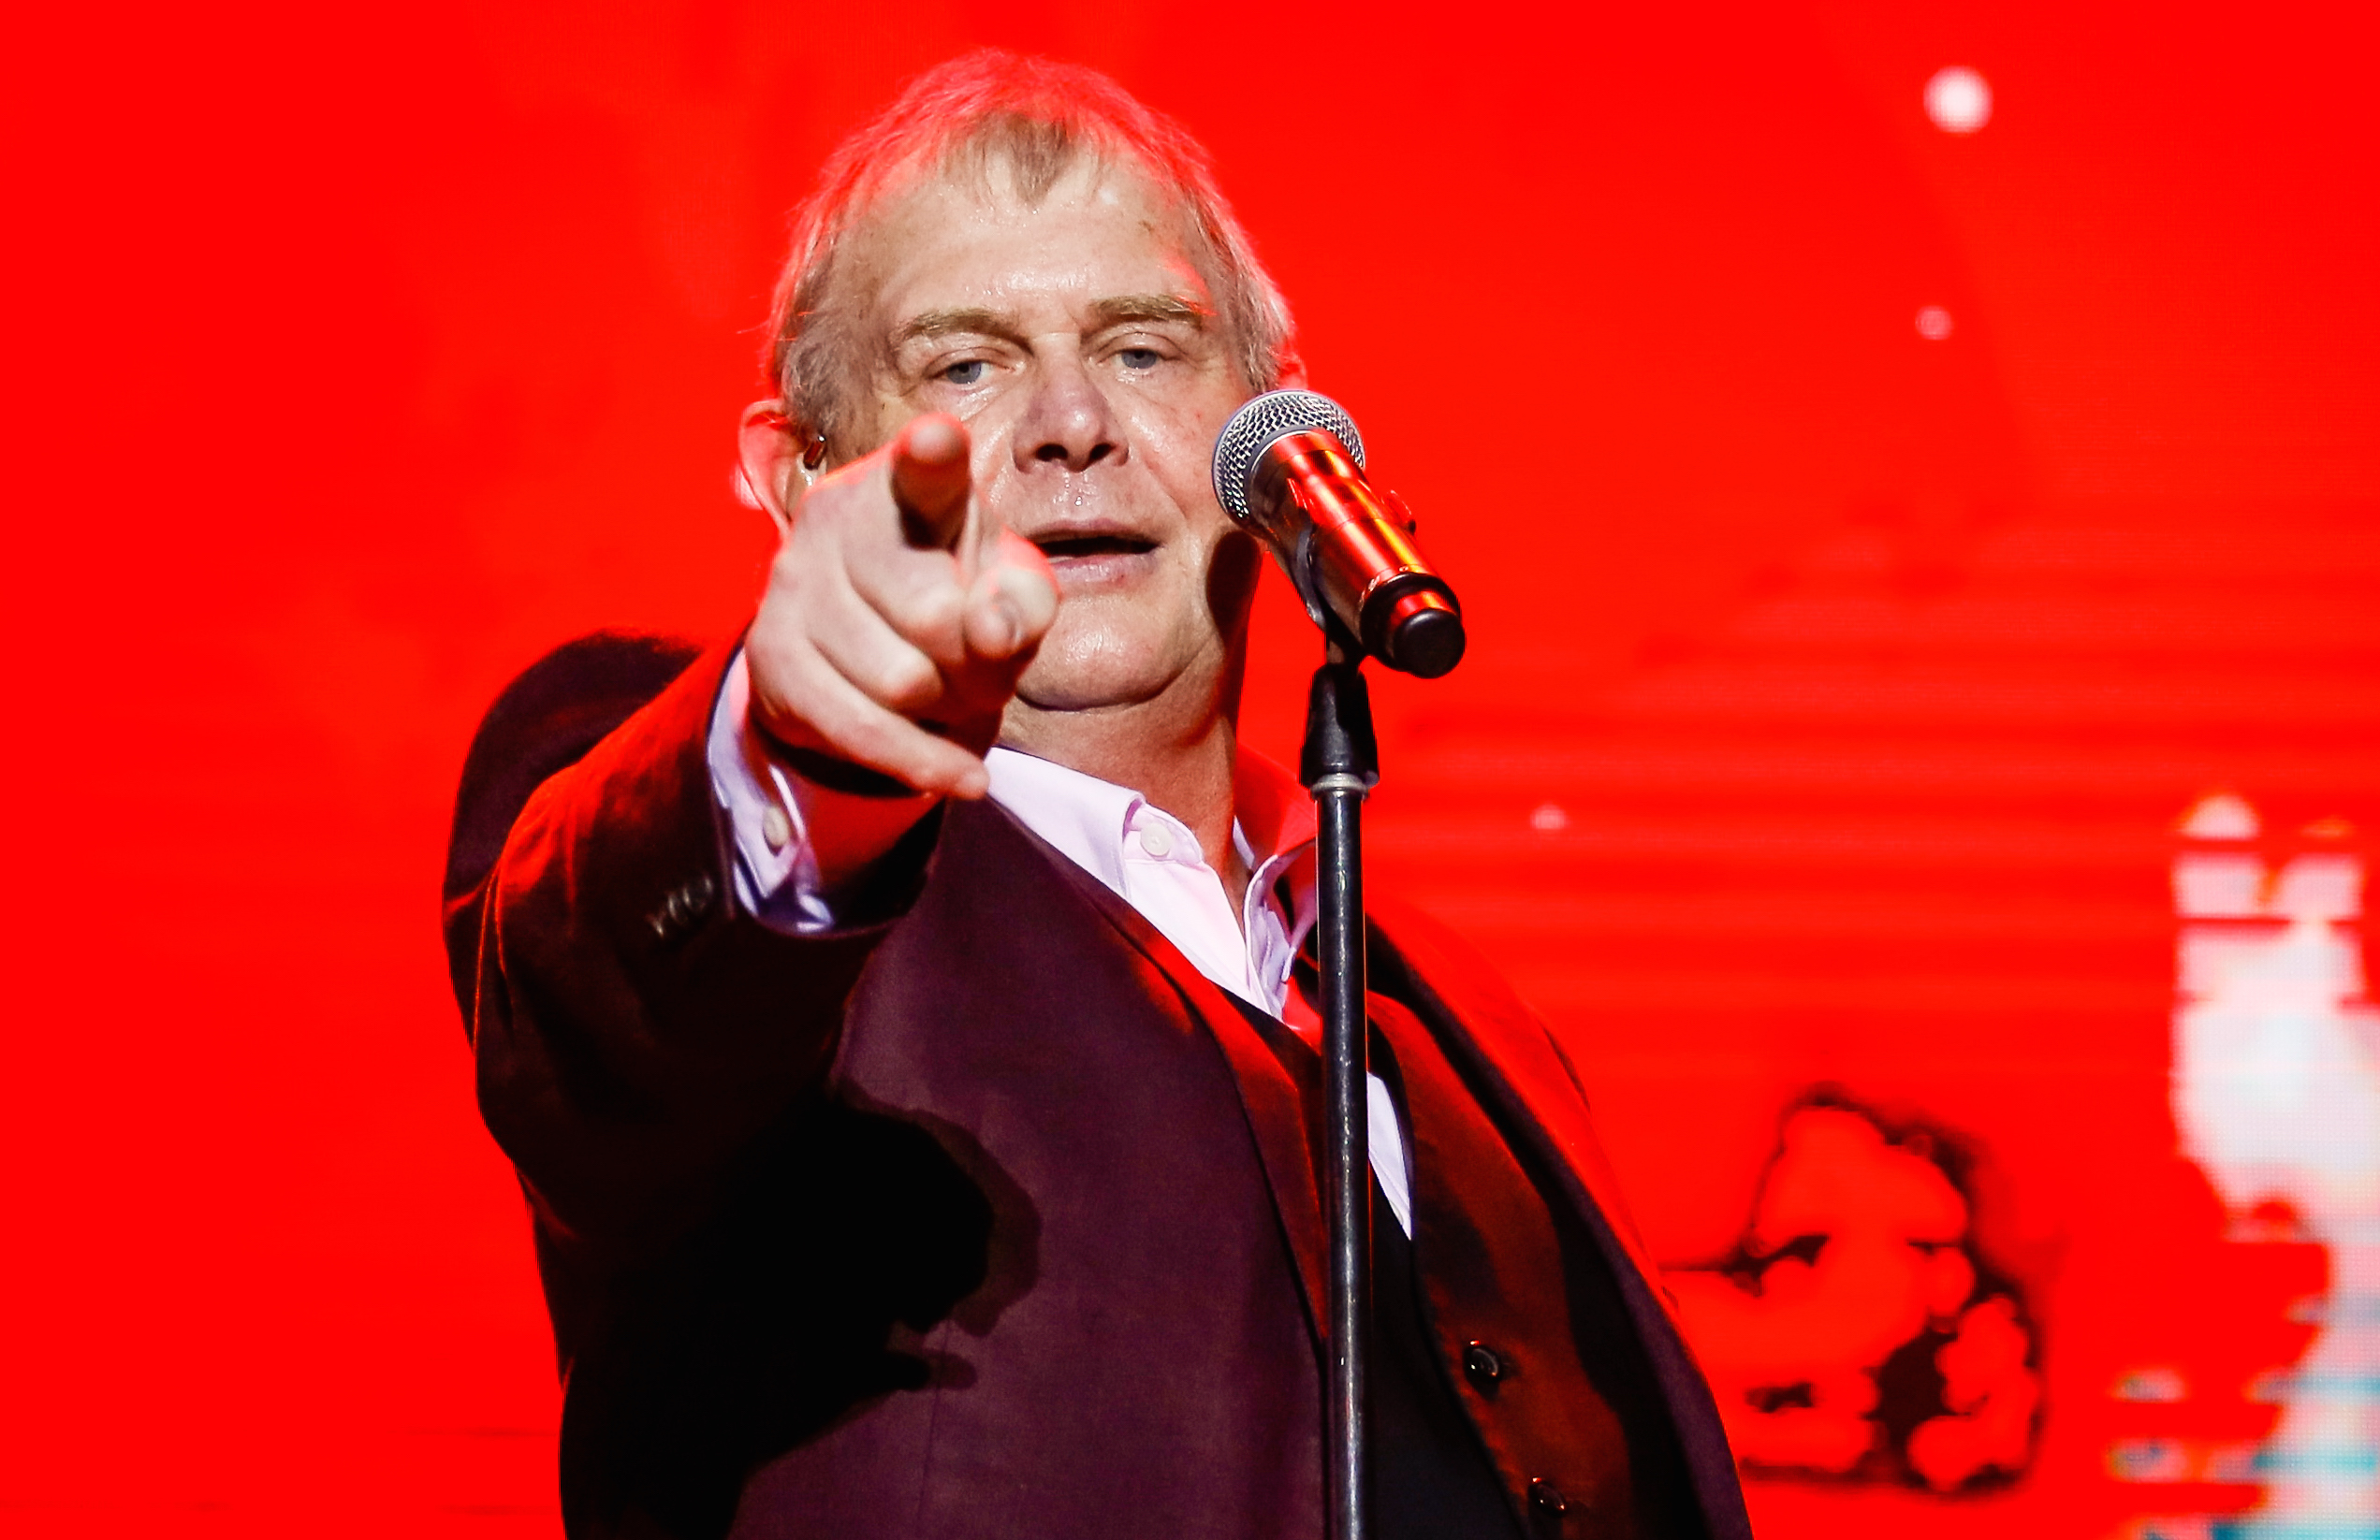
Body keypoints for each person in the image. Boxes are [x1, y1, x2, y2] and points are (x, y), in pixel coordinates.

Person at [443, 50, 1751, 1540]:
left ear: (1270, 434)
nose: (1074, 422)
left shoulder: (1465, 1018)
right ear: (801, 473)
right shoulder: (763, 858)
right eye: (965, 366)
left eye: (1142, 350)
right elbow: (599, 988)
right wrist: (792, 752)